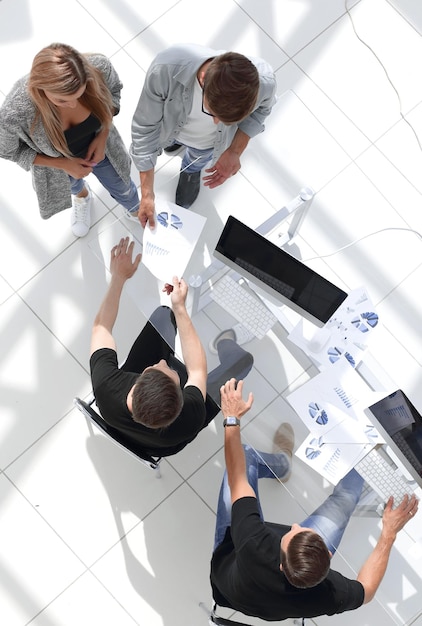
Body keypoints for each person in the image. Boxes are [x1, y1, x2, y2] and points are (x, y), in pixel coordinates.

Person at [210, 379, 419, 621]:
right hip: (254, 593)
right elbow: (367, 590)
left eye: (294, 532)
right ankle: (365, 447)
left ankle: (283, 465)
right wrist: (388, 534)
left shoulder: (252, 542)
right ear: (328, 557)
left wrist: (231, 417)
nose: (296, 525)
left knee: (245, 455)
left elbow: (238, 477)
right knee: (346, 498)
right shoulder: (328, 594)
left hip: (229, 564)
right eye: (301, 531)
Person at [89, 237, 254, 457]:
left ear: (139, 379)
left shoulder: (106, 387)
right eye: (173, 374)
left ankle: (196, 331)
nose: (162, 361)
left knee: (162, 317)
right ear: (182, 398)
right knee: (243, 362)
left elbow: (101, 328)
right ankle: (224, 342)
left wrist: (119, 276)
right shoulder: (189, 417)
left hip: (128, 425)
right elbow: (196, 371)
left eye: (155, 367)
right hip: (165, 443)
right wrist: (180, 308)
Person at [0, 42, 139, 237]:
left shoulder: (98, 67)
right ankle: (82, 197)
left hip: (103, 149)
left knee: (123, 186)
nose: (73, 105)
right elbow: (8, 150)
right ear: (40, 89)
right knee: (73, 186)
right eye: (62, 100)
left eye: (80, 95)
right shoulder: (15, 113)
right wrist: (63, 164)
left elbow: (114, 93)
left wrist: (103, 134)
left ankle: (135, 208)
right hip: (58, 169)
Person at [130, 44, 277, 228]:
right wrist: (147, 193)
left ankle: (191, 171)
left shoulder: (264, 82)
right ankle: (173, 141)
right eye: (213, 112)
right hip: (170, 126)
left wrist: (234, 150)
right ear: (203, 78)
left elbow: (262, 111)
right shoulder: (165, 69)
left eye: (225, 120)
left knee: (198, 157)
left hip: (206, 145)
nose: (216, 123)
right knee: (167, 139)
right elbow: (145, 127)